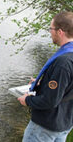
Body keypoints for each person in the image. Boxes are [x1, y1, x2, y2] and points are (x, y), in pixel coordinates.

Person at [18, 11, 73, 142]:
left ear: (60, 32)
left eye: (51, 29)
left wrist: (27, 101)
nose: (50, 32)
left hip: (45, 126)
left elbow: (50, 100)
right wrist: (42, 84)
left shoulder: (63, 62)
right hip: (65, 122)